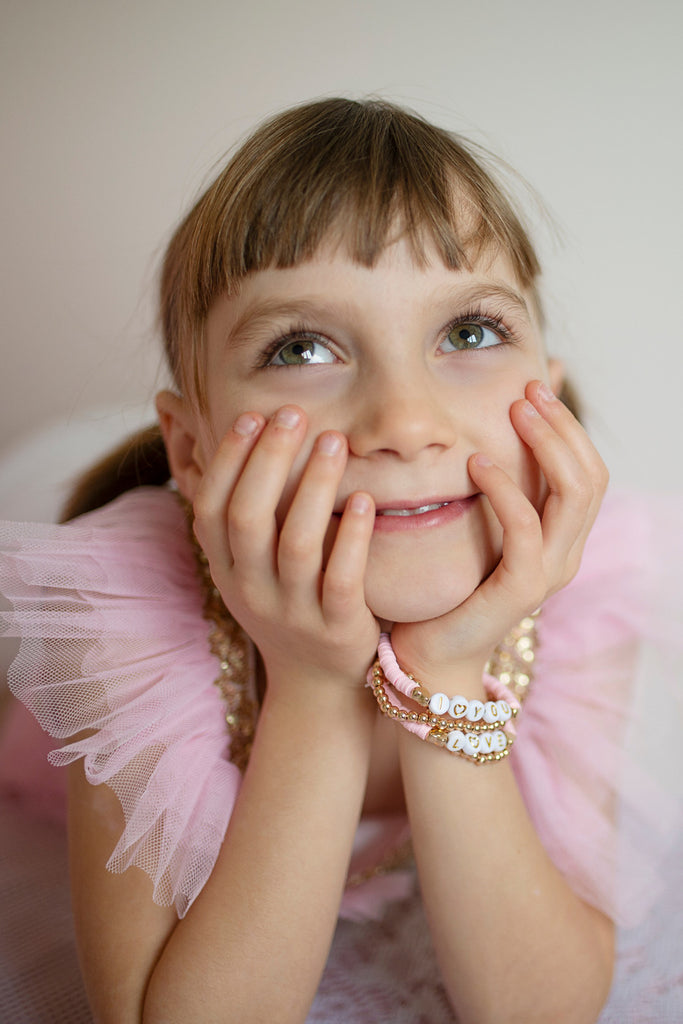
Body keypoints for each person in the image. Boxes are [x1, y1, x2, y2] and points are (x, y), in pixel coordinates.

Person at [0, 97, 681, 1024]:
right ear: (191, 451)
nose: (404, 423)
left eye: (470, 333)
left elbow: (538, 1011)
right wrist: (314, 682)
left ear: (548, 395)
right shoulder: (121, 612)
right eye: (302, 347)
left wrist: (445, 668)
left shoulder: (581, 587)